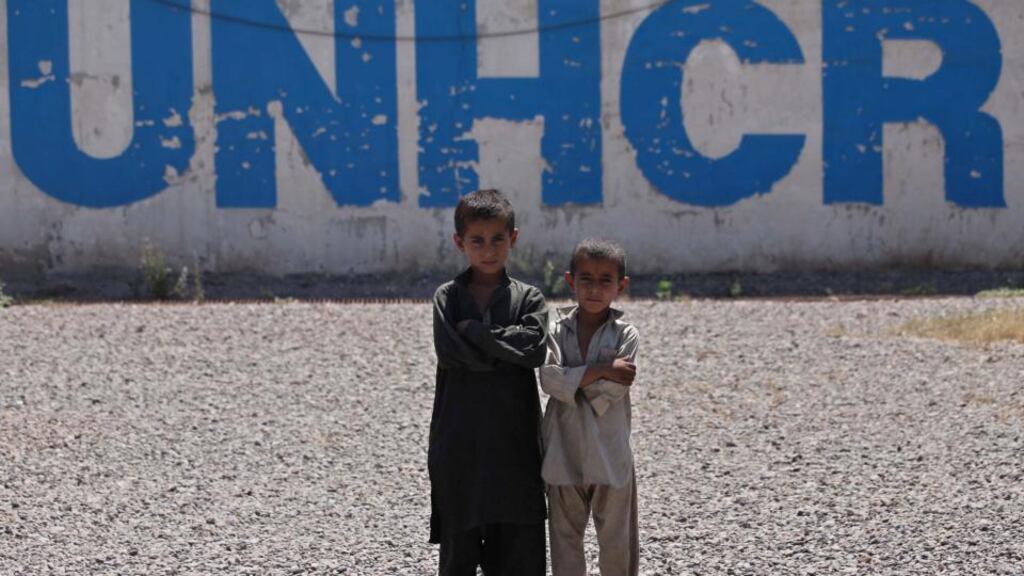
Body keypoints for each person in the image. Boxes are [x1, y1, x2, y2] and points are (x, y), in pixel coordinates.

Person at [428, 189, 549, 576]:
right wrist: (503, 347)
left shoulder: (529, 298)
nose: (488, 249)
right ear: (459, 242)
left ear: (513, 238)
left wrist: (477, 333)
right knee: (458, 557)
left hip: (514, 448)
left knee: (519, 556)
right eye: (477, 241)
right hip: (460, 444)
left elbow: (533, 350)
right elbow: (450, 353)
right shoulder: (448, 298)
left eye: (498, 239)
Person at [540, 238, 640, 576]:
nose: (594, 289)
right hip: (563, 452)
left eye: (605, 281)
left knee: (616, 544)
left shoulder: (626, 335)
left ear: (620, 286)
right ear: (570, 281)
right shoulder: (554, 329)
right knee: (564, 541)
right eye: (586, 279)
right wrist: (599, 369)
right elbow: (549, 380)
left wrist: (574, 379)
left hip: (609, 453)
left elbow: (611, 390)